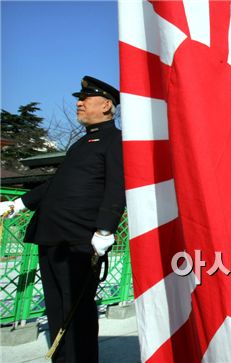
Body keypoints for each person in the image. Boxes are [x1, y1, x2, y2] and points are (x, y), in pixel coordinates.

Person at [0, 76, 125, 362]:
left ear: (106, 105)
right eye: (78, 99)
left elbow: (116, 186)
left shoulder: (114, 141)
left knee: (76, 311)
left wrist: (105, 229)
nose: (78, 103)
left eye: (85, 99)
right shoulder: (82, 144)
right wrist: (18, 203)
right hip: (54, 235)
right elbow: (58, 183)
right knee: (56, 308)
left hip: (80, 239)